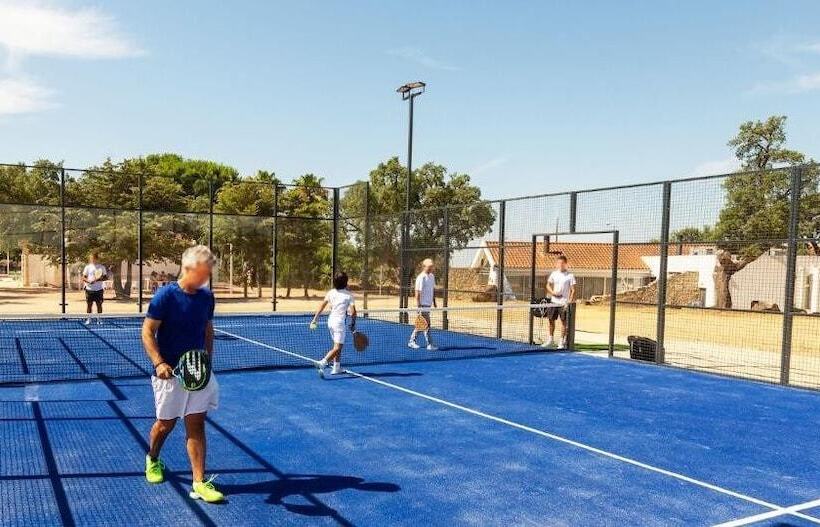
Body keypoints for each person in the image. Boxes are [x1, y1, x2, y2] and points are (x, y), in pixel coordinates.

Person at [141, 245, 224, 503]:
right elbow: (147, 331)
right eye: (203, 271)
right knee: (166, 424)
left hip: (197, 372)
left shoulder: (207, 297)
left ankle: (199, 482)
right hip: (169, 374)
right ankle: (153, 458)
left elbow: (207, 329)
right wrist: (159, 363)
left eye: (209, 272)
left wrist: (207, 360)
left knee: (196, 424)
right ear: (188, 268)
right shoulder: (165, 296)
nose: (207, 277)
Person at [309, 272, 357, 377]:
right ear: (346, 282)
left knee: (337, 345)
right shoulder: (349, 295)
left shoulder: (331, 292)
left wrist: (315, 319)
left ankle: (336, 367)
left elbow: (322, 306)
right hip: (339, 323)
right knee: (338, 347)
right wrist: (353, 323)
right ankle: (323, 363)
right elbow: (353, 312)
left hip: (330, 322)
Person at [543, 255, 576, 349]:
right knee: (551, 321)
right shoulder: (554, 274)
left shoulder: (570, 276)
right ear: (557, 264)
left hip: (564, 303)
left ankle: (561, 342)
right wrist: (552, 292)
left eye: (562, 263)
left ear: (566, 264)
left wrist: (569, 302)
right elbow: (548, 285)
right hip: (553, 302)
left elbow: (573, 290)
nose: (560, 265)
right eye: (559, 263)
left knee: (564, 323)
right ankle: (550, 340)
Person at [408, 258, 437, 351]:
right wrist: (419, 306)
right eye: (429, 266)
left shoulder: (432, 276)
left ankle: (412, 341)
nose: (431, 268)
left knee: (421, 325)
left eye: (432, 266)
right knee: (427, 324)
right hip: (422, 305)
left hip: (428, 305)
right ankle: (429, 344)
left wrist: (434, 302)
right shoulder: (421, 277)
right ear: (424, 267)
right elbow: (417, 293)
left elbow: (432, 290)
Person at [81, 252, 107, 325]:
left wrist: (97, 280)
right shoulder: (87, 267)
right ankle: (89, 319)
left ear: (97, 258)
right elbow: (83, 277)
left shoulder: (102, 267)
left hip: (99, 289)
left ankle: (99, 319)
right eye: (91, 258)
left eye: (94, 258)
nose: (92, 259)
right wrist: (89, 281)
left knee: (99, 305)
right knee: (89, 305)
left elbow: (105, 277)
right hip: (89, 290)